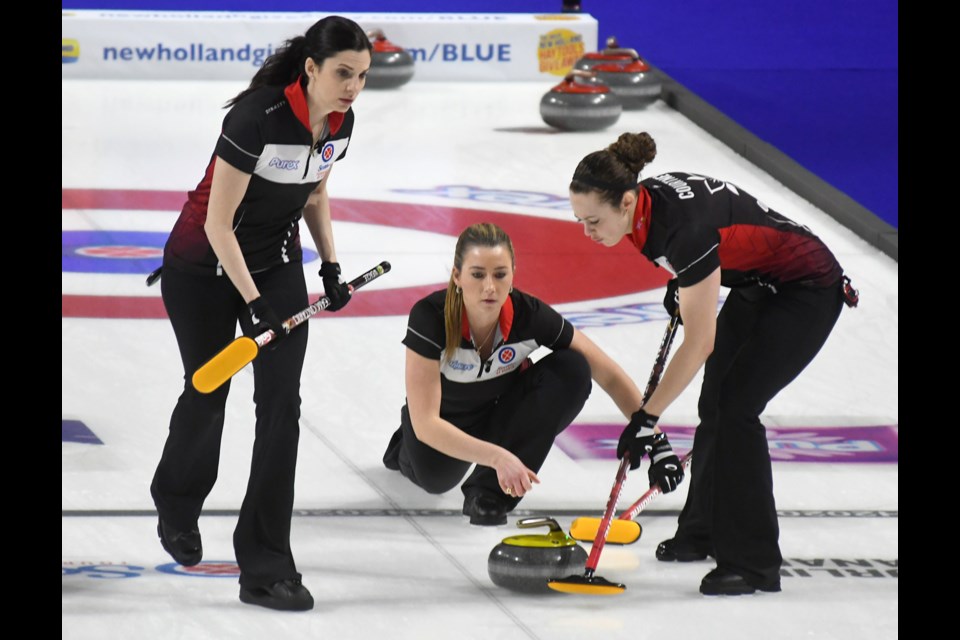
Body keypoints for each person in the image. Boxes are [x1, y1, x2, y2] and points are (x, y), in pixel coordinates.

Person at [568, 131, 858, 596]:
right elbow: (719, 244)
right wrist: (687, 281)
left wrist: (647, 418)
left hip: (807, 288)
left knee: (738, 407)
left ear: (626, 201)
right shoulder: (647, 202)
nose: (587, 231)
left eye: (593, 220)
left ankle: (753, 563)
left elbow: (699, 341)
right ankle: (702, 529)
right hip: (758, 284)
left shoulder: (681, 230)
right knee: (714, 401)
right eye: (579, 220)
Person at [149, 16, 372, 611]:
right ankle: (176, 497)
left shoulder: (340, 122)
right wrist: (252, 305)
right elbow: (219, 225)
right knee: (209, 388)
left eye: (362, 76)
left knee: (281, 407)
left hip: (273, 266)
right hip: (202, 267)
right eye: (343, 74)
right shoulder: (256, 118)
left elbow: (315, 193)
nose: (353, 87)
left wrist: (329, 267)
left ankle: (266, 565)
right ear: (311, 69)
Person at [382, 222, 684, 526]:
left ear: (513, 274)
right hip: (442, 425)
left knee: (573, 368)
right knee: (435, 480)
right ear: (457, 277)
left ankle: (488, 495)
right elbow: (427, 425)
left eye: (500, 274)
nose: (490, 286)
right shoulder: (430, 317)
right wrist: (498, 457)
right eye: (477, 274)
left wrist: (656, 442)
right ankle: (401, 447)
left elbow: (607, 373)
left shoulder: (530, 315)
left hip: (497, 415)